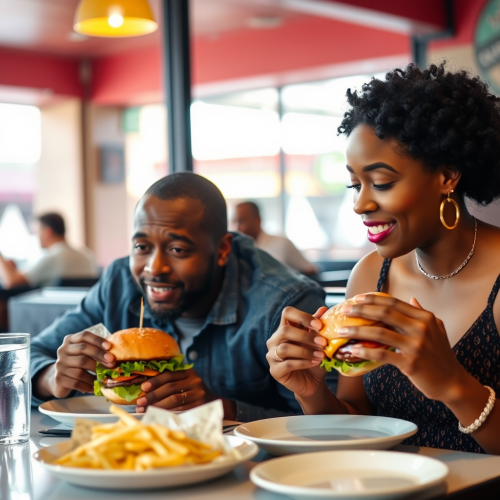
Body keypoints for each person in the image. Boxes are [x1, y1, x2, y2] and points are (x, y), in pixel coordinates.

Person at [266, 63, 500, 455]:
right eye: (354, 184)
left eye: (382, 182)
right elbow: (358, 420)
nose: (360, 204)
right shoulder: (372, 274)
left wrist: (453, 384)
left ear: (447, 176)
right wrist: (311, 392)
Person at [30, 173, 327, 421]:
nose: (154, 268)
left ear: (222, 249)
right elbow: (30, 355)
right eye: (142, 247)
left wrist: (223, 410)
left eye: (177, 250)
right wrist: (52, 377)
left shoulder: (284, 304)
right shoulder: (119, 282)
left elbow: (324, 421)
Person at [0, 212, 97, 289]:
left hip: (53, 312)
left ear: (47, 232)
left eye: (37, 232)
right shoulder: (88, 255)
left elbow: (11, 282)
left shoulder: (52, 259)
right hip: (84, 312)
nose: (36, 237)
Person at [234, 201, 316, 275]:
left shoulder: (282, 244)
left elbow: (311, 270)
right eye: (235, 221)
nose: (237, 228)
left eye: (241, 221)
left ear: (257, 220)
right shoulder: (238, 250)